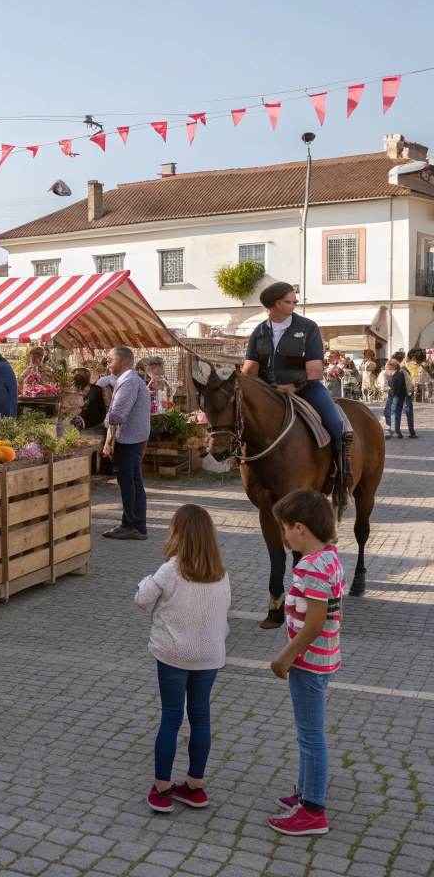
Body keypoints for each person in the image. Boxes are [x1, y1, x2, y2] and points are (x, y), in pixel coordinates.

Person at [136, 504, 230, 813]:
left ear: (178, 534)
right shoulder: (221, 572)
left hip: (174, 654)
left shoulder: (171, 569)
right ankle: (194, 786)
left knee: (172, 717)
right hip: (209, 655)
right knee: (200, 716)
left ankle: (162, 789)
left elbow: (142, 600)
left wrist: (148, 579)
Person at [267, 488, 343, 837]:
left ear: (300, 528)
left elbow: (313, 623)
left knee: (310, 737)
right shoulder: (329, 557)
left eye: (284, 528)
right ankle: (303, 792)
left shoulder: (311, 568)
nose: (282, 535)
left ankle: (313, 811)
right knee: (307, 733)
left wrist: (285, 657)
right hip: (324, 659)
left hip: (308, 663)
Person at [242, 281, 343, 476]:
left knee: (336, 424)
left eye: (295, 302)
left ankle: (340, 471)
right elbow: (250, 369)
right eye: (290, 302)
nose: (294, 306)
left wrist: (293, 386)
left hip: (307, 388)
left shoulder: (308, 328)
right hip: (268, 391)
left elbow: (315, 371)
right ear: (277, 304)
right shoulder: (259, 332)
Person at [100, 345, 151, 540]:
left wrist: (104, 423)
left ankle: (130, 525)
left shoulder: (129, 381)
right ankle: (137, 525)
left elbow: (117, 414)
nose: (108, 364)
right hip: (132, 438)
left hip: (128, 439)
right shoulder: (129, 380)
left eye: (110, 360)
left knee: (128, 482)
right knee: (134, 481)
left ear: (124, 361)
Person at [390, 351, 417, 437]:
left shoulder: (398, 368)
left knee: (398, 413)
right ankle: (411, 432)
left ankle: (398, 432)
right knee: (408, 413)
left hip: (400, 393)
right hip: (405, 393)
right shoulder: (402, 368)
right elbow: (408, 381)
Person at [383, 359, 409, 438]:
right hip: (399, 396)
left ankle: (393, 430)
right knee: (396, 413)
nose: (387, 370)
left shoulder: (396, 375)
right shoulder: (400, 374)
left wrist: (389, 380)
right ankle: (396, 430)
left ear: (392, 368)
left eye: (388, 368)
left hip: (395, 396)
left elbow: (394, 386)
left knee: (390, 412)